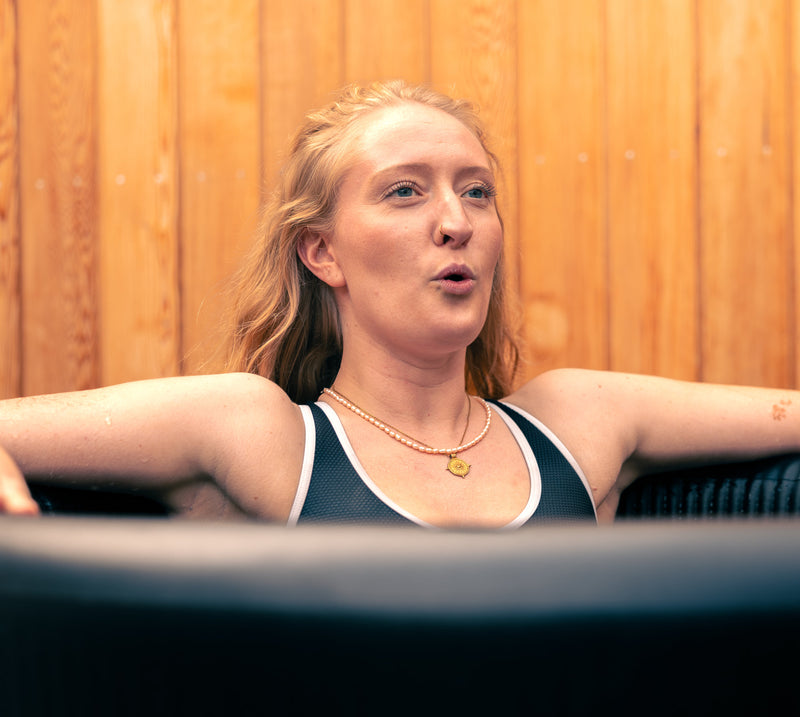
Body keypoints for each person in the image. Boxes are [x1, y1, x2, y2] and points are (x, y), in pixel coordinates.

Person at [1, 80, 798, 526]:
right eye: (405, 191)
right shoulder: (257, 433)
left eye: (476, 192)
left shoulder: (579, 419)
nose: (456, 222)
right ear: (323, 252)